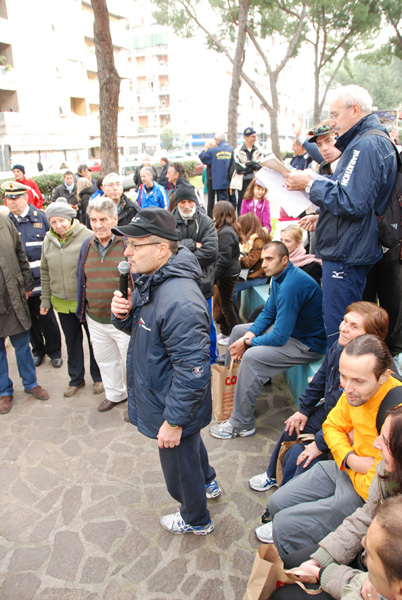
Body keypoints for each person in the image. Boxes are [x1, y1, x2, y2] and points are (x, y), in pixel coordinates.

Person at [110, 207, 220, 535]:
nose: (126, 253)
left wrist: (172, 421)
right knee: (191, 450)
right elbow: (152, 333)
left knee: (180, 468)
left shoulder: (178, 299)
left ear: (161, 249)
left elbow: (193, 370)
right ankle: (209, 482)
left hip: (173, 404)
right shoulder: (156, 278)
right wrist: (124, 316)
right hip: (168, 396)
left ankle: (195, 518)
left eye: (134, 245)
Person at [258, 335, 402, 556]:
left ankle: (300, 570)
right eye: (343, 377)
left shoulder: (396, 412)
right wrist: (350, 458)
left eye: (359, 381)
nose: (347, 388)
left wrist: (355, 459)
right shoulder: (355, 393)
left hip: (363, 494)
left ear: (383, 378)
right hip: (345, 467)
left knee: (285, 526)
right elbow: (331, 426)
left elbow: (381, 479)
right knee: (277, 502)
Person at [286, 85, 398, 345]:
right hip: (349, 249)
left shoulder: (366, 144)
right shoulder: (365, 142)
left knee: (342, 333)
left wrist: (310, 184)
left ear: (355, 110)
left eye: (335, 115)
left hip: (348, 252)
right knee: (346, 330)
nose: (332, 123)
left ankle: (341, 385)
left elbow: (352, 202)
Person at [249, 302, 388, 495]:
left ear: (371, 337)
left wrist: (319, 444)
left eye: (353, 326)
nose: (343, 328)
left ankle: (286, 500)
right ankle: (272, 474)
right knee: (292, 426)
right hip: (328, 413)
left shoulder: (373, 372)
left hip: (347, 430)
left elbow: (351, 423)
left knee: (303, 457)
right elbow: (321, 378)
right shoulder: (340, 348)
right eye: (345, 321)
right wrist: (303, 410)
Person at [269, 404, 402, 600]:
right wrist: (321, 560)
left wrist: (323, 574)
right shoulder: (386, 471)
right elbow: (366, 517)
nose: (376, 444)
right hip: (372, 564)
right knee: (289, 562)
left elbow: (369, 590)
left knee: (284, 595)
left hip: (372, 577)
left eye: (385, 441)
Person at [209, 241, 326, 439]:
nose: (264, 264)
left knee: (252, 357)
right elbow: (268, 313)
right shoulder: (280, 277)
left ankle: (242, 423)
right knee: (238, 331)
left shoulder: (292, 284)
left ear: (285, 260)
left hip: (307, 343)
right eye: (263, 259)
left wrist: (248, 344)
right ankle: (229, 392)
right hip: (291, 333)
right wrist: (249, 335)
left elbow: (279, 336)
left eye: (269, 259)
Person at [40, 198, 102, 398]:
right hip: (61, 303)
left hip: (84, 301)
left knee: (94, 341)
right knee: (72, 341)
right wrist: (45, 300)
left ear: (70, 219)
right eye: (53, 222)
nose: (58, 226)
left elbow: (95, 268)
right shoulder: (48, 240)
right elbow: (44, 271)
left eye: (62, 221)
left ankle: (98, 377)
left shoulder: (87, 236)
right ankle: (76, 379)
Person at [76, 198, 130, 413]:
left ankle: (135, 401)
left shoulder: (127, 244)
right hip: (95, 318)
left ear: (115, 219)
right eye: (93, 220)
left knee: (131, 363)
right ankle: (115, 394)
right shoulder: (86, 245)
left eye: (103, 219)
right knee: (106, 361)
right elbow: (81, 277)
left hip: (124, 320)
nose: (97, 225)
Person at [4, 181, 63, 369]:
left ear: (25, 198)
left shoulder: (41, 218)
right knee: (28, 322)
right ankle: (38, 350)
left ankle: (54, 352)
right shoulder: (6, 222)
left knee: (47, 319)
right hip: (20, 285)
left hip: (42, 282)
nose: (12, 202)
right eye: (9, 198)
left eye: (16, 198)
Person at [0, 211, 49, 415]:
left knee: (22, 344)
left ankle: (30, 383)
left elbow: (20, 252)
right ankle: (4, 391)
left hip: (12, 296)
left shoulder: (4, 221)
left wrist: (27, 282)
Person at [172, 184, 219, 363]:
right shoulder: (168, 221)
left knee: (206, 324)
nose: (186, 205)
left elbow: (210, 253)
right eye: (182, 201)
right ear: (177, 203)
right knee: (179, 325)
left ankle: (212, 359)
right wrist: (192, 244)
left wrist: (179, 252)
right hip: (176, 283)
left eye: (190, 201)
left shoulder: (207, 222)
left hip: (202, 284)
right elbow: (166, 250)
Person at [232, 212, 271, 320]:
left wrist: (234, 258)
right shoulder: (253, 239)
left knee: (231, 288)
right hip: (252, 273)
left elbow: (248, 262)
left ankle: (234, 319)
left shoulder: (259, 241)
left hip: (260, 276)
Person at [212, 201, 240, 346]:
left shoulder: (226, 233)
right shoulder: (226, 229)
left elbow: (224, 259)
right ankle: (225, 331)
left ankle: (235, 335)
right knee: (224, 304)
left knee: (226, 306)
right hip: (227, 273)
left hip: (227, 274)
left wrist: (213, 277)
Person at [230, 127, 264, 213]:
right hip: (242, 182)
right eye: (252, 136)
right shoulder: (237, 151)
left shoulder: (260, 150)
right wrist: (253, 165)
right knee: (242, 204)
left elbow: (260, 165)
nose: (255, 139)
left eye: (255, 136)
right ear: (246, 137)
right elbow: (239, 168)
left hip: (256, 180)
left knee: (257, 203)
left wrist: (248, 164)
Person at [199, 133, 234, 203]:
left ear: (217, 140)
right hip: (231, 181)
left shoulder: (213, 151)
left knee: (222, 204)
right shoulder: (232, 149)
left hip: (219, 182)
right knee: (232, 202)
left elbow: (202, 156)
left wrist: (206, 148)